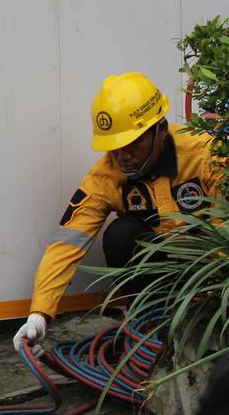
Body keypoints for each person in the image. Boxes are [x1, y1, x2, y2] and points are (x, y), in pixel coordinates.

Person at [13, 73, 223, 353]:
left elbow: (225, 233)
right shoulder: (107, 176)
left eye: (133, 143)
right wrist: (39, 313)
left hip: (212, 280)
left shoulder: (206, 156)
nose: (123, 155)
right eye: (114, 146)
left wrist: (212, 300)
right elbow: (67, 241)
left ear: (160, 129)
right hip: (160, 286)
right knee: (120, 235)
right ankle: (153, 330)